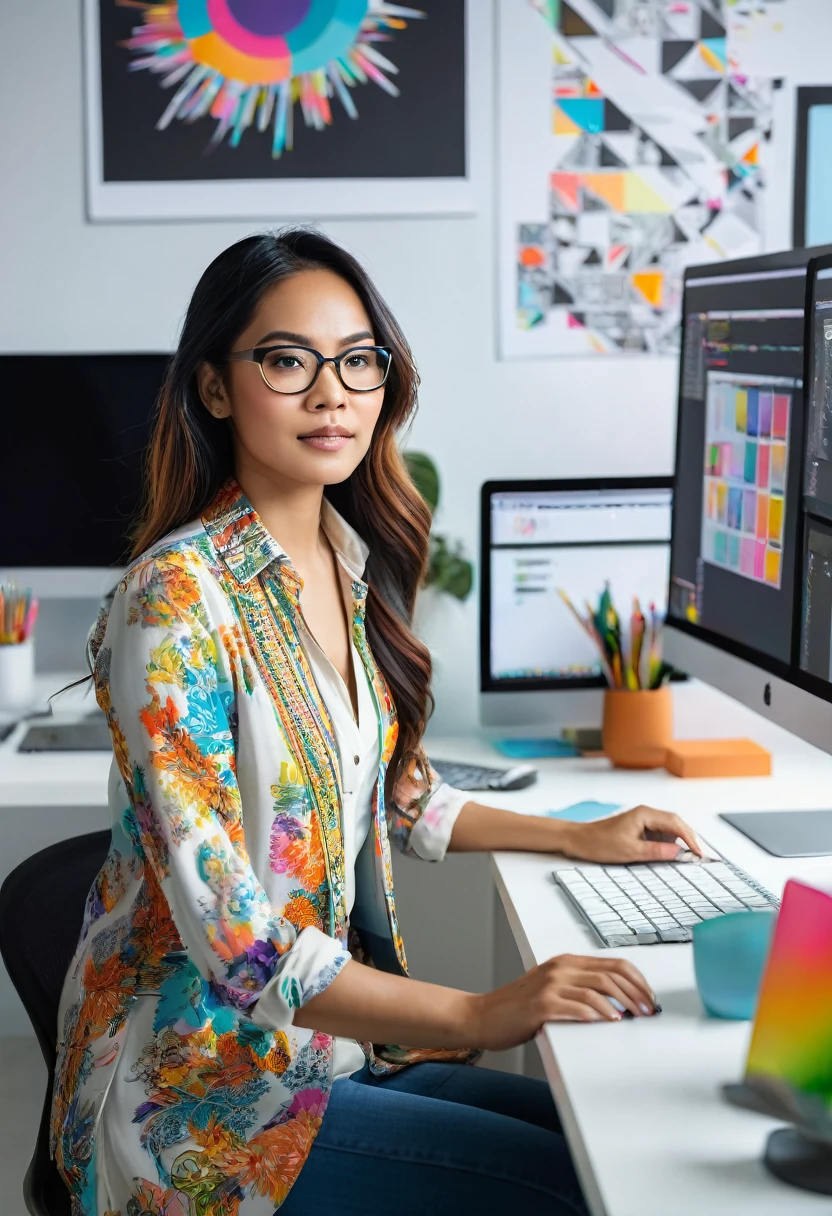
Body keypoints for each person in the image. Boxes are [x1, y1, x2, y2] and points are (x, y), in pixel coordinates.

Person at [51, 229, 702, 1216]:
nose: (331, 393)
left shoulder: (341, 560)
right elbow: (237, 940)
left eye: (358, 360)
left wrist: (578, 835)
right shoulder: (176, 599)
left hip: (328, 1052)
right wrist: (482, 1012)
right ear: (215, 388)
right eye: (286, 360)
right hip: (202, 1104)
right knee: (584, 1190)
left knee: (617, 1149)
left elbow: (391, 791)